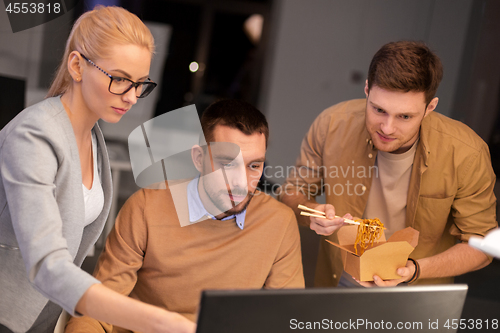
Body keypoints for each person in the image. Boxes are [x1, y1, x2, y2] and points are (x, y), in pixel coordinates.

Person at [0, 6, 194, 333]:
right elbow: (48, 264)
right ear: (77, 66)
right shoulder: (33, 136)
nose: (132, 97)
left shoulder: (92, 136)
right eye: (119, 80)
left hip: (40, 317)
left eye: (140, 84)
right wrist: (157, 319)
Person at [64, 99, 305, 332]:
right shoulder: (146, 207)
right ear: (199, 158)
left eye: (254, 166)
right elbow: (97, 309)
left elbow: (288, 319)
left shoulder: (279, 223)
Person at [279, 41, 498, 287]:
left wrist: (413, 270)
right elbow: (291, 193)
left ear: (430, 108)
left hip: (418, 285)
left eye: (405, 116)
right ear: (366, 90)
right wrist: (311, 213)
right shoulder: (331, 125)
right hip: (342, 274)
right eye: (378, 109)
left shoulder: (467, 153)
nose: (387, 128)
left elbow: (482, 244)